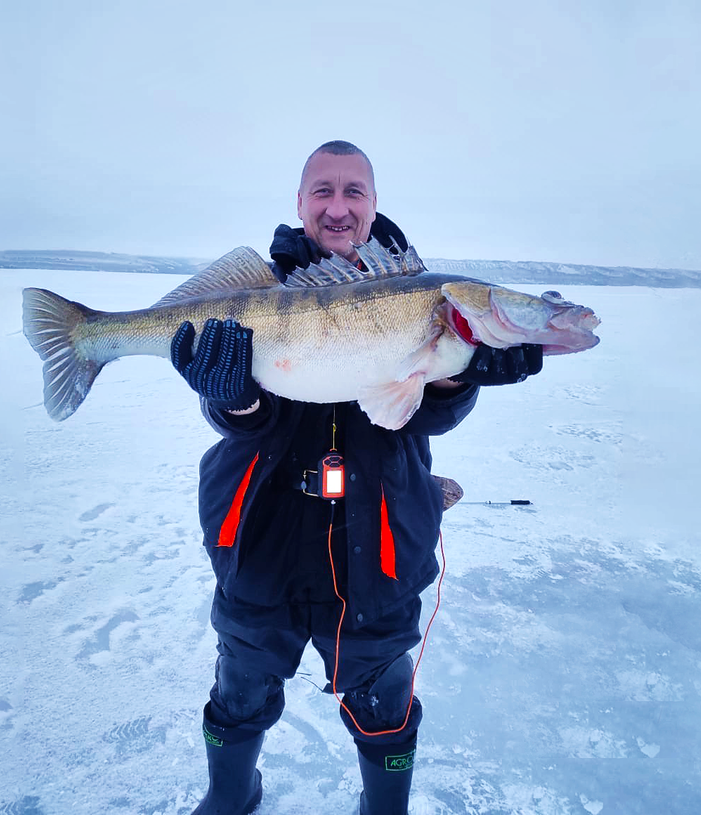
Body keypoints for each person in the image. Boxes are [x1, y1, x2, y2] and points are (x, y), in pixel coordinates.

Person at [171, 140, 545, 815]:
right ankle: (230, 796)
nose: (338, 207)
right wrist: (231, 397)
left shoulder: (424, 291)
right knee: (241, 682)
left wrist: (457, 371)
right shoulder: (257, 292)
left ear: (373, 205)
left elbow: (428, 415)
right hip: (262, 532)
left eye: (353, 192)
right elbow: (235, 420)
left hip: (379, 535)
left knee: (383, 688)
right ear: (301, 203)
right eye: (323, 191)